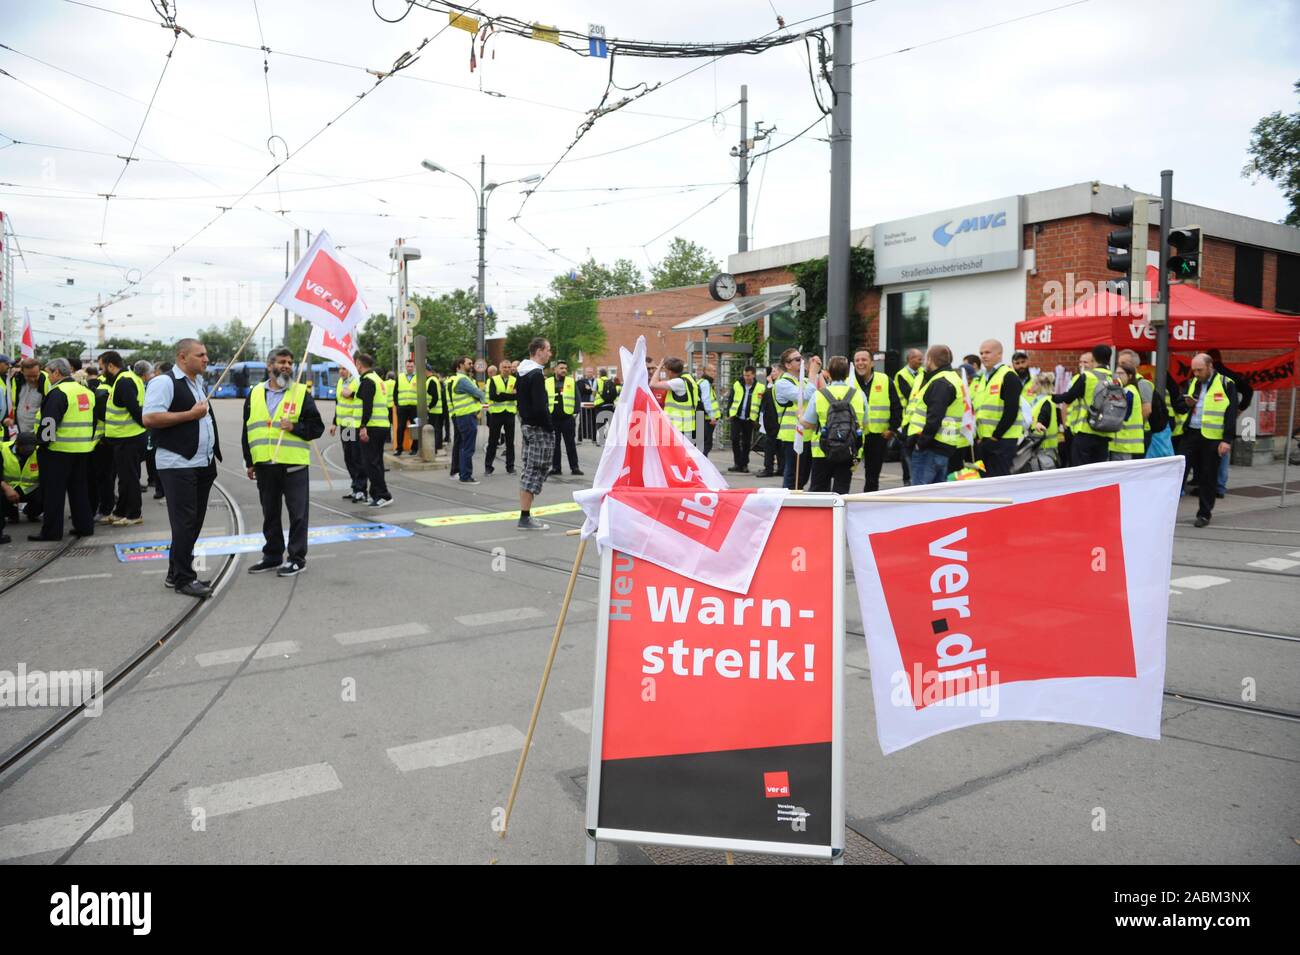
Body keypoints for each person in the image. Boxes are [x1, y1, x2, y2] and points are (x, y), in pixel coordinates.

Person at [142, 339, 220, 596]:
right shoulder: (164, 382)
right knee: (185, 522)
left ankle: (175, 572)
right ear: (182, 357)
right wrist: (190, 415)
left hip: (202, 463)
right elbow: (150, 418)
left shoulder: (197, 383)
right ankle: (185, 579)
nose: (206, 359)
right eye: (201, 355)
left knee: (193, 523)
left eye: (206, 354)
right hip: (178, 464)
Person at [242, 348, 325, 577]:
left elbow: (316, 428)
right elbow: (247, 429)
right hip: (265, 464)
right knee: (270, 513)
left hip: (293, 465)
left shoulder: (300, 392)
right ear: (270, 366)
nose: (287, 365)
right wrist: (250, 461)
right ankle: (272, 556)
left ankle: (297, 558)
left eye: (290, 362)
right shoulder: (256, 393)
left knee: (297, 514)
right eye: (282, 361)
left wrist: (295, 427)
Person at [29, 358, 96, 543]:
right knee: (79, 490)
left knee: (53, 493)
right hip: (82, 450)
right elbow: (94, 420)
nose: (47, 376)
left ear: (57, 373)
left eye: (49, 372)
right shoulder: (86, 391)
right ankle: (85, 526)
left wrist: (42, 445)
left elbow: (49, 422)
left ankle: (51, 532)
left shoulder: (58, 392)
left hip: (57, 451)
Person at [1181, 353, 1237, 527]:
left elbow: (1231, 413)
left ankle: (1204, 514)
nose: (1196, 373)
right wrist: (1186, 404)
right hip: (1192, 433)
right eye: (1194, 370)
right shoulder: (1192, 383)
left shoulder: (1226, 384)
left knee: (1208, 476)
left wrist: (1227, 440)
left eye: (1199, 370)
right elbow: (1179, 406)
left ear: (1210, 366)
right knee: (1179, 469)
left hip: (1213, 437)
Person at [905, 345, 970, 485]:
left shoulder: (940, 382)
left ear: (930, 360)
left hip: (930, 448)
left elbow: (934, 419)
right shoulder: (953, 379)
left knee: (920, 496)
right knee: (935, 497)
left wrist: (920, 444)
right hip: (943, 446)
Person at [803, 356, 865, 494]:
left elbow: (808, 423)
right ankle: (838, 515)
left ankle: (821, 516)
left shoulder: (819, 395)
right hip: (849, 450)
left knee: (819, 491)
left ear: (829, 373)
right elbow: (865, 422)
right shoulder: (859, 395)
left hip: (822, 450)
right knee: (841, 492)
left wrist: (799, 416)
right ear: (847, 374)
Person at [100, 350, 147, 526]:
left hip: (129, 438)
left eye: (102, 367)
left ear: (111, 366)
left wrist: (143, 425)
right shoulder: (128, 378)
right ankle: (120, 511)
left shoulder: (124, 381)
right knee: (126, 478)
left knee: (129, 478)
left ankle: (134, 514)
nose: (101, 371)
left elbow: (134, 409)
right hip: (126, 437)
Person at [1052, 345, 1116, 467]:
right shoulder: (1115, 379)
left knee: (1080, 470)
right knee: (1098, 472)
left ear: (1093, 360)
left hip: (1086, 432)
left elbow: (1069, 397)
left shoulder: (1088, 376)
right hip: (1105, 432)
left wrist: (1053, 397)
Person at [516, 337, 555, 530]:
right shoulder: (536, 374)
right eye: (548, 349)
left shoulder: (522, 372)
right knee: (536, 469)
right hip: (539, 429)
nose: (550, 353)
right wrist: (549, 426)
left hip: (527, 426)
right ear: (539, 350)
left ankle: (525, 515)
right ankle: (525, 517)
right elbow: (540, 407)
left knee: (530, 468)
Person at [849, 349, 900, 493]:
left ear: (872, 363)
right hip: (853, 435)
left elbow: (896, 406)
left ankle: (869, 501)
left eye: (864, 360)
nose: (860, 363)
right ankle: (843, 504)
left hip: (878, 435)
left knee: (872, 475)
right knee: (846, 471)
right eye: (857, 360)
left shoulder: (885, 380)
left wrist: (892, 429)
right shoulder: (849, 382)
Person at [974, 339, 1024, 477]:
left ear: (999, 354)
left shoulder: (1008, 376)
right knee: (986, 481)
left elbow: (1011, 411)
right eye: (981, 353)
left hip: (1002, 440)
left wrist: (995, 436)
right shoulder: (983, 378)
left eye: (988, 352)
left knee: (999, 481)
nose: (983, 356)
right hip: (985, 440)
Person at [1206, 349, 1252, 498]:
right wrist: (1240, 409)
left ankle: (1209, 485)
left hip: (1209, 423)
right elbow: (1248, 390)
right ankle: (1220, 487)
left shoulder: (1210, 377)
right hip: (1227, 419)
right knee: (1223, 454)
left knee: (1208, 456)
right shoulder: (1230, 375)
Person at [773, 348, 818, 490]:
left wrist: (817, 374)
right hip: (792, 435)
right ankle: (787, 505)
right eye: (797, 359)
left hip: (808, 435)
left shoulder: (805, 381)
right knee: (793, 477)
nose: (801, 362)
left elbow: (820, 395)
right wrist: (812, 374)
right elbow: (805, 396)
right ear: (787, 365)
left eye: (802, 359)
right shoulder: (782, 383)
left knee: (803, 476)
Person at [353, 353, 392, 507]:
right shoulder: (378, 379)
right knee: (376, 462)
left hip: (372, 427)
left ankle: (384, 495)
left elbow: (367, 406)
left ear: (358, 364)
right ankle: (376, 494)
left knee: (370, 463)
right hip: (381, 425)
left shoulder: (368, 381)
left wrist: (363, 426)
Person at [82, 362, 115, 523]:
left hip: (99, 442)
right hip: (100, 441)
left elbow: (101, 417)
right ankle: (100, 508)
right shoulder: (105, 388)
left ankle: (104, 509)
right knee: (102, 478)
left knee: (101, 478)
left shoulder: (102, 391)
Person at [446, 355, 486, 484]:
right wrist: (481, 394)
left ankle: (460, 472)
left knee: (462, 445)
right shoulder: (463, 380)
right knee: (467, 447)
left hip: (460, 415)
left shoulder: (457, 379)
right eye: (469, 363)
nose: (472, 365)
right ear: (460, 365)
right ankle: (465, 475)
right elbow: (479, 394)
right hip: (467, 415)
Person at [332, 366, 366, 502]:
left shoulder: (357, 381)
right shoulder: (340, 382)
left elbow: (364, 399)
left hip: (354, 423)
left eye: (344, 368)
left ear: (350, 370)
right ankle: (355, 487)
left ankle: (361, 489)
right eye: (339, 369)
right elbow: (338, 403)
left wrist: (352, 394)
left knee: (357, 457)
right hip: (345, 423)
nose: (341, 371)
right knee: (348, 456)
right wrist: (334, 422)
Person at [1, 430, 41, 543]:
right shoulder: (3, 450)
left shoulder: (38, 452)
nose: (28, 451)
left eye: (31, 448)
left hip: (30, 489)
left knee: (46, 494)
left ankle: (31, 512)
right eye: (25, 449)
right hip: (9, 489)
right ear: (17, 444)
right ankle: (10, 512)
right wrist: (7, 488)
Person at [650, 357, 702, 443]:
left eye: (666, 372)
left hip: (679, 428)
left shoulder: (678, 383)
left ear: (670, 372)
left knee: (677, 456)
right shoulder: (688, 379)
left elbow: (653, 384)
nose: (666, 375)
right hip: (686, 427)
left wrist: (659, 367)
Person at [893, 348, 924, 484]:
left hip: (919, 419)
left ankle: (916, 478)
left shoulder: (923, 373)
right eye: (918, 358)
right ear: (909, 359)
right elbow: (909, 394)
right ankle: (907, 479)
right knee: (906, 451)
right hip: (907, 419)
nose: (921, 361)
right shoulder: (901, 375)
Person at [547, 360, 582, 476]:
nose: (564, 370)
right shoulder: (547, 382)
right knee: (555, 445)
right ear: (555, 369)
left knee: (570, 444)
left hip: (567, 418)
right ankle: (556, 468)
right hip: (552, 418)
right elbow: (543, 399)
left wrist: (575, 412)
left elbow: (577, 398)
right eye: (561, 368)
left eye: (565, 368)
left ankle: (575, 467)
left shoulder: (571, 381)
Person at [727, 365, 764, 473]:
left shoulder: (760, 387)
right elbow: (731, 399)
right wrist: (729, 412)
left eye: (748, 375)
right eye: (744, 375)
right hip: (736, 417)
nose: (746, 377)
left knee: (746, 442)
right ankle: (737, 463)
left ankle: (744, 464)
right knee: (734, 439)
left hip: (749, 419)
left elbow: (761, 404)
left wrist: (758, 419)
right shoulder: (737, 384)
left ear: (753, 375)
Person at [484, 359, 517, 474]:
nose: (507, 369)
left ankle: (510, 466)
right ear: (500, 368)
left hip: (509, 413)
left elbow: (517, 396)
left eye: (509, 367)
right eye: (504, 367)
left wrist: (502, 394)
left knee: (510, 442)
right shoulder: (494, 380)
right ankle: (488, 466)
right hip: (496, 413)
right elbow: (493, 396)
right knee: (493, 440)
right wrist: (510, 395)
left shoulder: (515, 380)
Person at [1108, 367, 1145, 460]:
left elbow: (1123, 415)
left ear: (1130, 376)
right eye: (1116, 373)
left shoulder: (1128, 391)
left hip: (1124, 444)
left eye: (1121, 373)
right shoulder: (1129, 389)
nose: (1117, 376)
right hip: (1125, 444)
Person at [1027, 371, 1061, 468]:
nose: (1031, 385)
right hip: (1038, 449)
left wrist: (1040, 423)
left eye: (1033, 383)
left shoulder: (1047, 401)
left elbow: (1044, 416)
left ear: (1039, 385)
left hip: (1045, 451)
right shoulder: (1036, 401)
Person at [8, 357, 49, 435]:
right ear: (22, 371)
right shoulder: (16, 379)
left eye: (35, 376)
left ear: (40, 371)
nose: (32, 379)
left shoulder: (47, 380)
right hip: (20, 427)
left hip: (39, 428)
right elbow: (14, 402)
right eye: (29, 376)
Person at [755, 366, 781, 477]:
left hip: (773, 421)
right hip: (773, 420)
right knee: (778, 445)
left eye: (774, 371)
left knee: (770, 445)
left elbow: (769, 397)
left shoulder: (777, 386)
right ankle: (780, 468)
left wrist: (770, 384)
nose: (772, 373)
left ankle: (768, 468)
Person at [393, 357, 420, 456]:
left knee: (415, 427)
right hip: (402, 407)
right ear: (405, 366)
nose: (409, 368)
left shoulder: (418, 377)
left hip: (414, 407)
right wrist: (397, 404)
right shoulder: (400, 377)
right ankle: (399, 448)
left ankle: (414, 448)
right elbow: (395, 392)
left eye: (411, 366)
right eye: (408, 366)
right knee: (400, 428)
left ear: (414, 367)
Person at [697, 364, 719, 455]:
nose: (714, 373)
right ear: (706, 372)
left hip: (700, 416)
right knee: (706, 444)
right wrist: (712, 416)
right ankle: (702, 466)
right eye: (712, 371)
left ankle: (699, 466)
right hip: (706, 419)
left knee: (700, 444)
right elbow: (706, 400)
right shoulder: (705, 383)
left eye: (715, 371)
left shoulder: (701, 382)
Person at [426, 367, 446, 455]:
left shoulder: (431, 381)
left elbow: (435, 397)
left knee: (434, 430)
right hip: (436, 409)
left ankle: (434, 448)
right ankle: (437, 447)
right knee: (437, 429)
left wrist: (429, 407)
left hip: (434, 409)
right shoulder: (434, 379)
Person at [576, 366, 596, 443]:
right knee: (582, 421)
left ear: (593, 373)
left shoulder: (596, 381)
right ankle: (580, 439)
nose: (589, 373)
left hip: (594, 403)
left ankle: (593, 439)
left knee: (594, 421)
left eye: (591, 372)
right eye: (588, 372)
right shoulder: (581, 381)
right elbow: (580, 391)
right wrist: (587, 389)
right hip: (584, 403)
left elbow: (595, 390)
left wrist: (590, 389)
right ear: (585, 373)